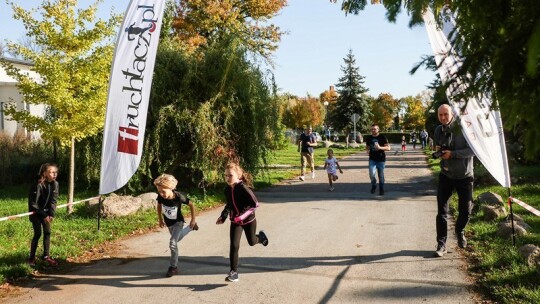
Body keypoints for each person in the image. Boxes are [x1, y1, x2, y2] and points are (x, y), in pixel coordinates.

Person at [433, 104, 475, 257]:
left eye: (445, 114)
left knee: (466, 211)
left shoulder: (463, 128)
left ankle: (460, 230)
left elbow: (473, 151)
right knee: (441, 212)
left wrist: (453, 154)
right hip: (446, 175)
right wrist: (439, 153)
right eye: (440, 115)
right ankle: (441, 244)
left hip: (465, 176)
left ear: (452, 114)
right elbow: (439, 147)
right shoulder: (438, 130)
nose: (443, 118)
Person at [216, 162, 269, 282]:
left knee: (251, 242)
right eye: (225, 175)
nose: (227, 178)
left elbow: (255, 204)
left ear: (238, 176)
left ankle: (260, 238)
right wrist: (223, 216)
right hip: (235, 221)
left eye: (230, 175)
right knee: (234, 246)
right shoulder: (227, 190)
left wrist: (242, 216)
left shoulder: (243, 188)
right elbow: (229, 204)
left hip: (249, 220)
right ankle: (234, 272)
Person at [154, 174, 199, 277]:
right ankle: (191, 227)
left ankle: (173, 267)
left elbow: (191, 205)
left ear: (171, 188)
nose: (161, 194)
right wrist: (160, 219)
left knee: (173, 243)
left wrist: (193, 219)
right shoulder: (161, 197)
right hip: (169, 224)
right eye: (159, 192)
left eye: (163, 191)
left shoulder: (179, 197)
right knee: (177, 239)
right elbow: (159, 205)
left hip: (178, 222)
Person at [28, 163, 59, 267]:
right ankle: (31, 259)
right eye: (51, 172)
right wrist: (43, 214)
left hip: (46, 214)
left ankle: (46, 256)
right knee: (38, 234)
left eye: (56, 172)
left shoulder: (55, 184)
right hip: (36, 214)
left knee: (47, 233)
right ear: (44, 173)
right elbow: (33, 204)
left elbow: (54, 201)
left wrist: (51, 214)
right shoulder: (38, 184)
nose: (54, 174)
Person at [365, 124, 391, 195]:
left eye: (375, 129)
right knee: (371, 174)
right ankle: (374, 185)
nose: (373, 130)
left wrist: (380, 148)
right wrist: (367, 150)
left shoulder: (382, 137)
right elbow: (367, 147)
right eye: (372, 129)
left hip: (381, 159)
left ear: (378, 129)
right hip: (372, 159)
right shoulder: (369, 138)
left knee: (381, 175)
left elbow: (388, 148)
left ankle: (381, 189)